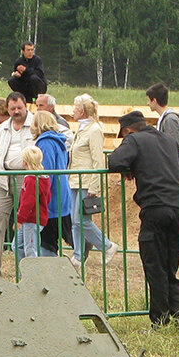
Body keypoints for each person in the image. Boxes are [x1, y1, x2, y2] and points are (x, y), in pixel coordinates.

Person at [107, 110, 179, 329]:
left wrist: (129, 166)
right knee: (170, 266)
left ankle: (160, 320)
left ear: (128, 130)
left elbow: (113, 161)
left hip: (155, 207)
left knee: (154, 265)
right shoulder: (169, 140)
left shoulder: (134, 139)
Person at [0, 91, 33, 275]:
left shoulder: (35, 125)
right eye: (13, 109)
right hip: (3, 179)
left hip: (26, 178)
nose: (16, 111)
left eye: (19, 107)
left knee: (28, 221)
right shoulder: (2, 129)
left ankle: (29, 266)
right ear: (8, 109)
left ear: (25, 105)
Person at [68, 94, 117, 269]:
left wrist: (94, 186)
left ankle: (107, 246)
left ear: (81, 111)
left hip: (85, 181)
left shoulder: (94, 130)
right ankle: (78, 255)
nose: (72, 111)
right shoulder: (81, 129)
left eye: (75, 108)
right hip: (74, 179)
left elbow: (98, 160)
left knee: (81, 220)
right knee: (75, 220)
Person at [32, 110, 73, 256]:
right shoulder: (59, 141)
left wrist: (40, 197)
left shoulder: (45, 142)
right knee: (51, 240)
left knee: (46, 241)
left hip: (51, 198)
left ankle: (50, 272)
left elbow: (45, 172)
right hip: (62, 195)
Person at [17, 147, 51, 259]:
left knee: (30, 249)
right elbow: (48, 197)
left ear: (25, 162)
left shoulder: (31, 180)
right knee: (17, 245)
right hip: (32, 218)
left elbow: (27, 202)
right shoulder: (44, 178)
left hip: (32, 219)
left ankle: (33, 273)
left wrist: (19, 219)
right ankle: (24, 270)